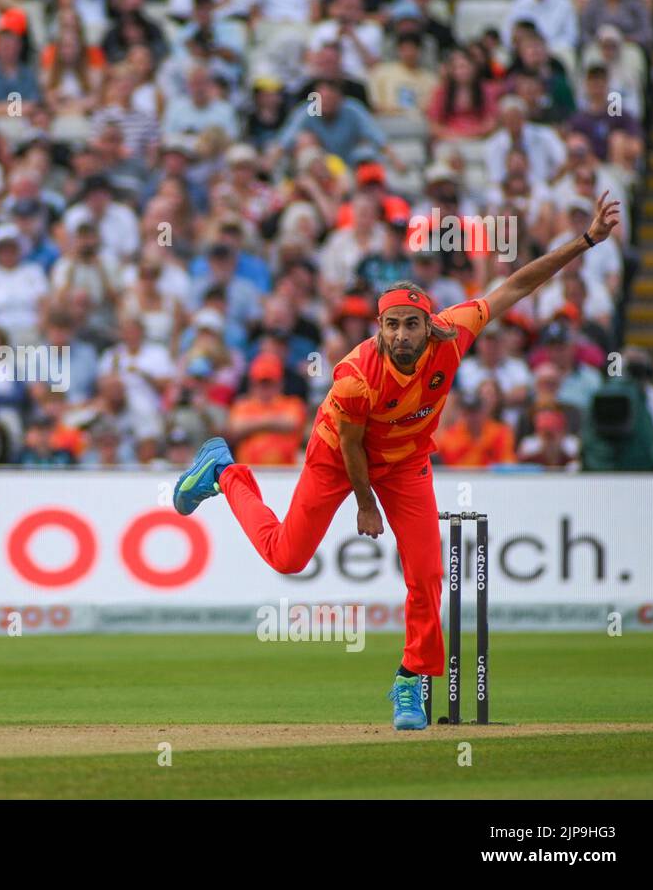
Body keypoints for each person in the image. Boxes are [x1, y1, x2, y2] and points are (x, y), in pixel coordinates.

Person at [172, 192, 621, 731]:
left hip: (407, 462)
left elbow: (518, 285)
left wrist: (587, 240)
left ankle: (410, 681)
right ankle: (225, 470)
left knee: (427, 574)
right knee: (287, 558)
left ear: (429, 324)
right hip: (338, 457)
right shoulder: (355, 375)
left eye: (411, 325)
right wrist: (366, 505)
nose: (401, 336)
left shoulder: (454, 333)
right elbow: (352, 444)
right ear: (379, 329)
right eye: (392, 326)